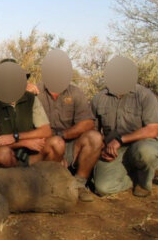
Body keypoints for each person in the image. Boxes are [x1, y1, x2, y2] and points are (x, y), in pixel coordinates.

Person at [27, 49, 103, 202]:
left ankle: (79, 184)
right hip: (44, 146)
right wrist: (21, 90)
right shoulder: (34, 91)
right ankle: (52, 185)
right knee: (53, 145)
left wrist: (62, 137)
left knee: (95, 138)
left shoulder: (75, 92)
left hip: (67, 144)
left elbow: (88, 123)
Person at [91, 56, 158, 197]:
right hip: (113, 148)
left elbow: (152, 130)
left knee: (146, 152)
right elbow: (93, 131)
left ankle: (144, 183)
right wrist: (102, 149)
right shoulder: (99, 98)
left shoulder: (145, 95)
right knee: (102, 188)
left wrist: (120, 140)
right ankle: (133, 178)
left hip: (140, 143)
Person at [0, 59, 65, 168]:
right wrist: (24, 143)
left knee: (58, 143)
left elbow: (46, 131)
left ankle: (46, 178)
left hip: (31, 154)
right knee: (2, 154)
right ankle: (18, 181)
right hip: (9, 155)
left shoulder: (31, 99)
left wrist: (16, 137)